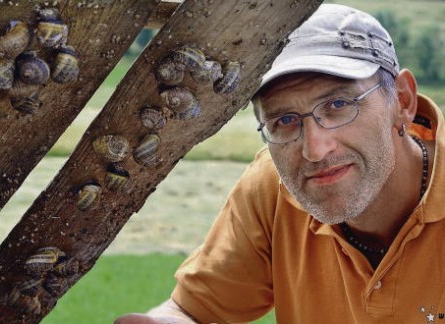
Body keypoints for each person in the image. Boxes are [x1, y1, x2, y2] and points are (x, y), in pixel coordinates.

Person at [116, 4, 444, 323]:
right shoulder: (272, 189)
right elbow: (191, 310)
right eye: (284, 120)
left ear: (402, 100)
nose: (315, 150)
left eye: (339, 104)